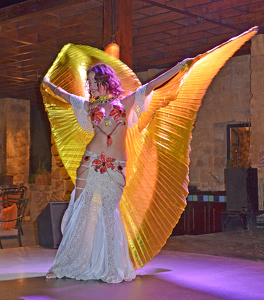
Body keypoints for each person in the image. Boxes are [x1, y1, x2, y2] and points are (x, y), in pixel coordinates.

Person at [42, 58, 191, 283]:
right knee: (83, 213)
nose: (90, 86)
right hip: (91, 162)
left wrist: (179, 67)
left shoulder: (127, 102)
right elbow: (62, 94)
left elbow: (151, 85)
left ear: (106, 80)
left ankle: (112, 267)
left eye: (94, 81)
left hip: (115, 166)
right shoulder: (88, 105)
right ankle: (64, 265)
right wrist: (46, 83)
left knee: (109, 214)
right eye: (89, 82)